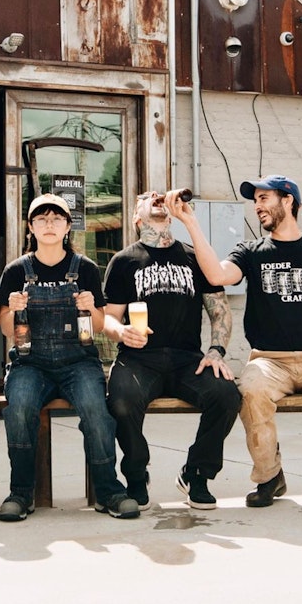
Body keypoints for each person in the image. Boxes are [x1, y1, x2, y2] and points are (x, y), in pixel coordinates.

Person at [166, 174, 302, 507]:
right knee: (250, 392)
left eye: (264, 198)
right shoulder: (251, 252)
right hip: (269, 360)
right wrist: (190, 222)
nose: (257, 207)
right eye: (255, 200)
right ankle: (270, 478)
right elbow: (216, 275)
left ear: (288, 200)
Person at [0, 194, 140, 521]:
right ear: (30, 227)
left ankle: (109, 492)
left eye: (56, 219)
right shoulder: (16, 271)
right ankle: (21, 493)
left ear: (67, 227)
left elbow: (101, 325)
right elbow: (6, 328)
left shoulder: (85, 268)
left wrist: (91, 307)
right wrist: (15, 310)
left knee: (96, 412)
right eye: (41, 219)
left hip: (78, 362)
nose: (49, 225)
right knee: (17, 409)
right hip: (30, 363)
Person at [103, 190, 241, 510]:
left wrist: (216, 350)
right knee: (121, 401)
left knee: (227, 395)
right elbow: (108, 318)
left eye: (158, 194)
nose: (155, 195)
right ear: (137, 217)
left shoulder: (195, 257)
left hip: (187, 359)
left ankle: (197, 473)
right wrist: (121, 332)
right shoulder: (124, 261)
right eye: (145, 196)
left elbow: (220, 311)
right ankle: (136, 475)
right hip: (138, 358)